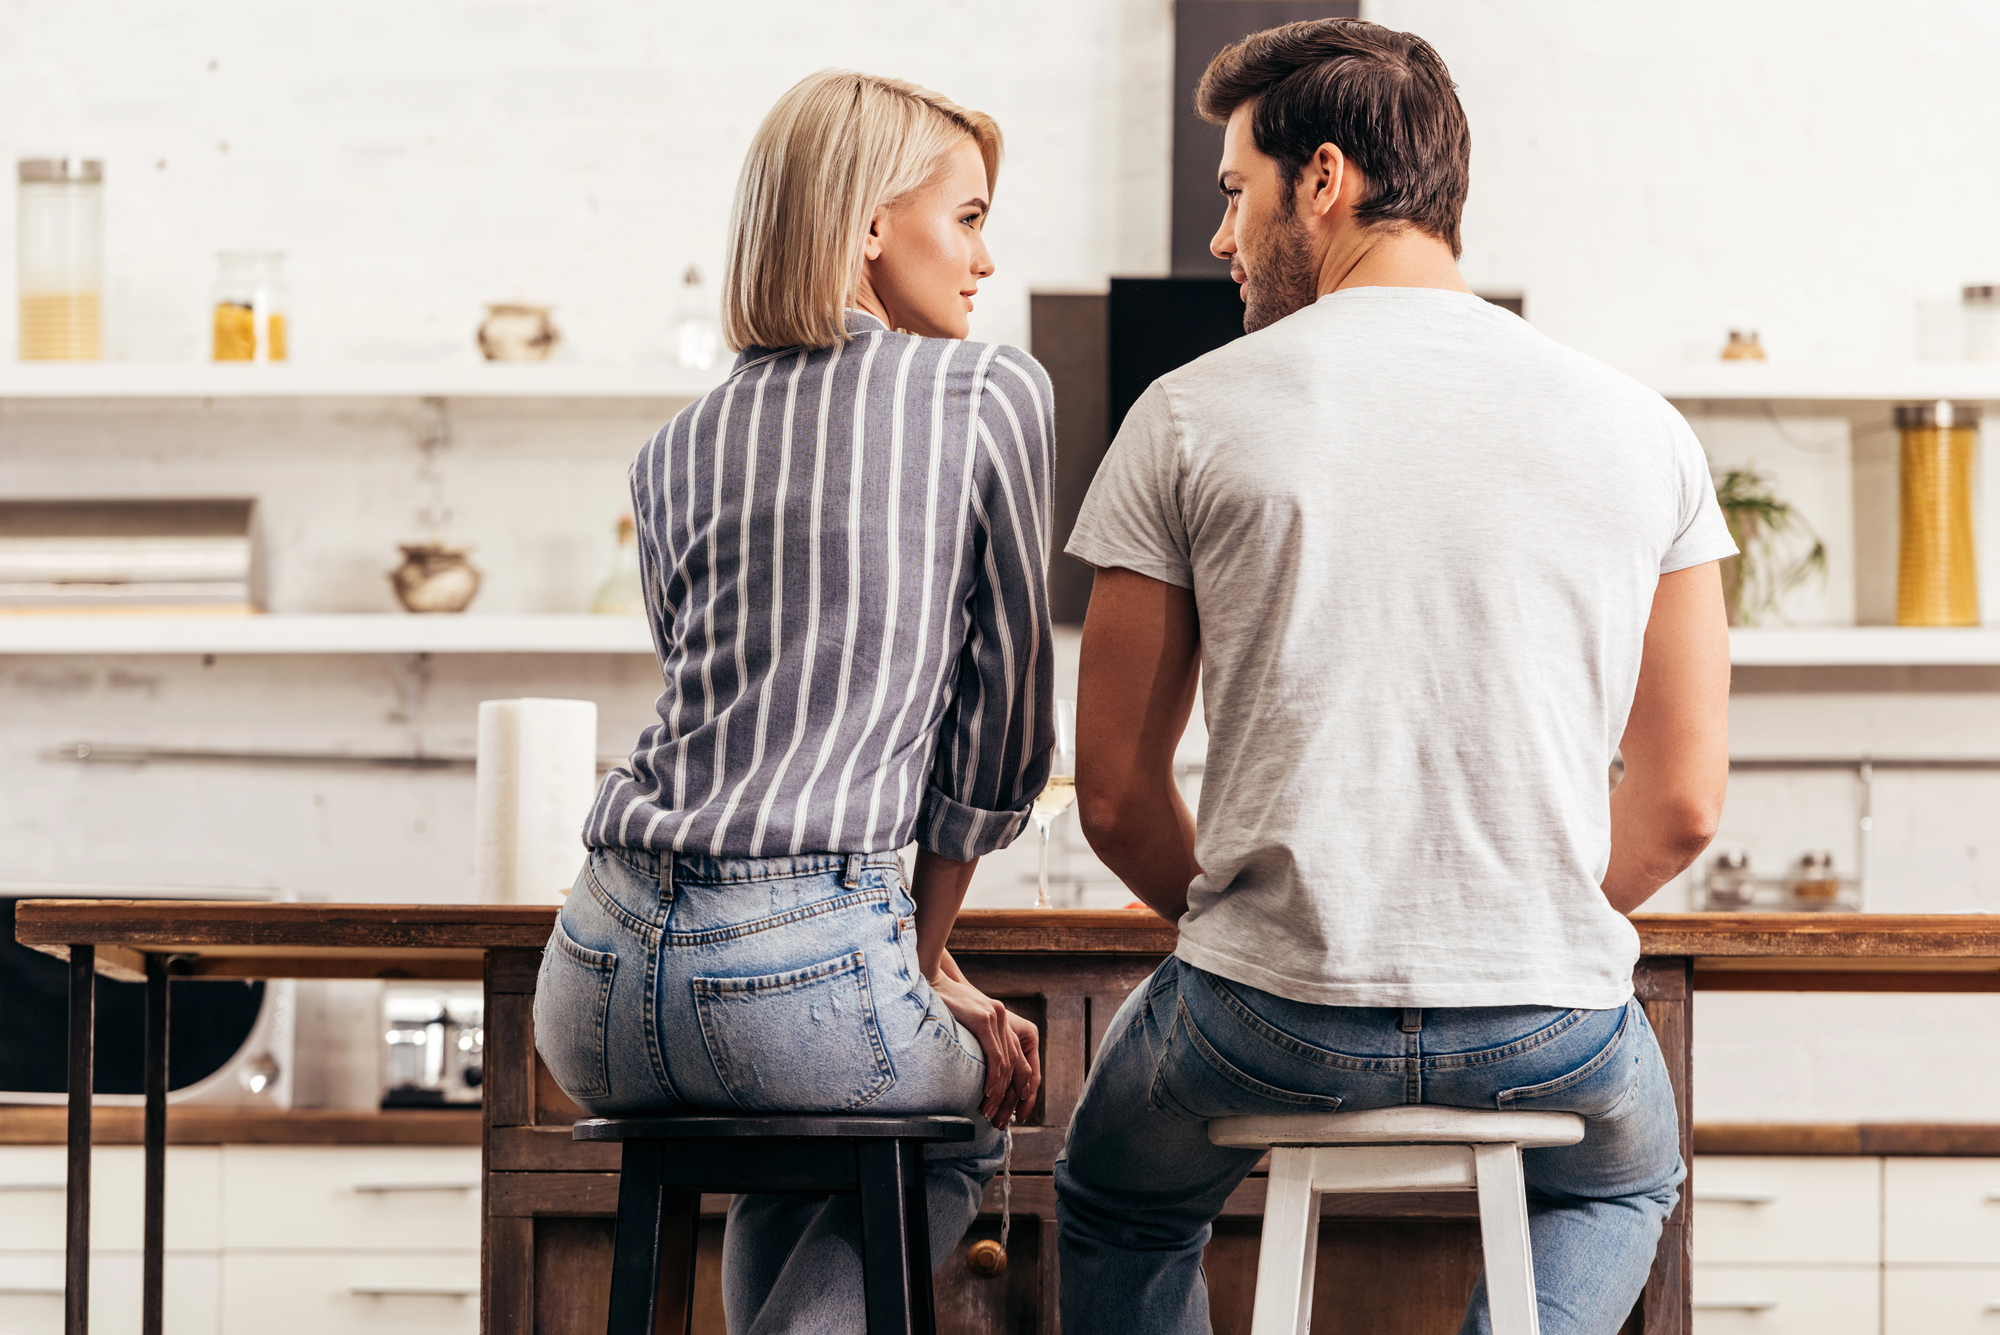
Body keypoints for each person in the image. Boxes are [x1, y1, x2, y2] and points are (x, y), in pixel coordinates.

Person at [1055, 18, 1734, 1335]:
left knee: (1116, 1197)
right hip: (1549, 1017)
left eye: (1234, 193)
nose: (1220, 238)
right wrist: (1517, 921)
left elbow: (1119, 798)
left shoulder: (1189, 413)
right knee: (1623, 1180)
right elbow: (1688, 801)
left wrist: (1268, 935)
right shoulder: (1643, 430)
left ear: (1323, 180)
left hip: (1269, 1011)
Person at [532, 69, 1054, 1334]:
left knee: (814, 1141)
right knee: (961, 1119)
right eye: (969, 217)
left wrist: (919, 968)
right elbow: (1002, 740)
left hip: (593, 981)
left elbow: (735, 727)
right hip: (793, 980)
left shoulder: (673, 448)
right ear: (872, 223)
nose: (984, 258)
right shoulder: (987, 392)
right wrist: (924, 964)